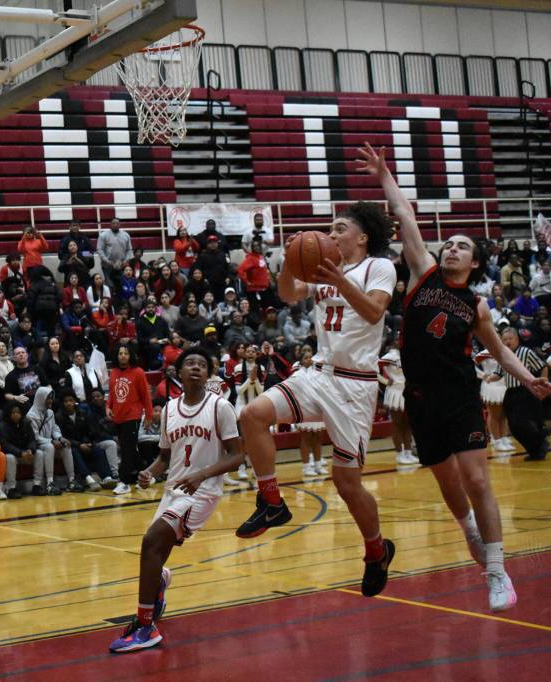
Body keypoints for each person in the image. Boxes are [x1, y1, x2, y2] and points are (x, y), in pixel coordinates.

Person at [358, 141, 551, 611]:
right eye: (449, 244)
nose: (451, 249)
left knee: (477, 480)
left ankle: (497, 570)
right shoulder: (423, 274)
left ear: (475, 262)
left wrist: (529, 380)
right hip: (420, 397)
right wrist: (384, 175)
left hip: (461, 395)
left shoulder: (476, 305)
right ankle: (469, 532)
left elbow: (499, 352)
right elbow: (405, 216)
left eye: (462, 246)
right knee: (448, 482)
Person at [236, 148, 399, 600]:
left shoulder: (378, 267)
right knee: (251, 415)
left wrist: (337, 278)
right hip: (319, 373)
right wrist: (291, 260)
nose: (331, 234)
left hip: (355, 385)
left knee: (346, 483)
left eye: (339, 228)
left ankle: (375, 550)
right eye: (330, 229)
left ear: (362, 238)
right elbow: (288, 294)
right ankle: (272, 501)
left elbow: (373, 313)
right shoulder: (326, 268)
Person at [108, 349, 244, 653]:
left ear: (208, 374)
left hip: (203, 492)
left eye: (202, 365)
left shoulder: (220, 407)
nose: (196, 368)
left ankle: (145, 626)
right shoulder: (169, 409)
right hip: (173, 490)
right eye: (190, 364)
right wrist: (150, 472)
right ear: (178, 373)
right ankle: (159, 583)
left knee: (151, 541)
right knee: (155, 551)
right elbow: (165, 457)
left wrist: (201, 475)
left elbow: (237, 456)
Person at [497, 327, 548, 461]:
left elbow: (542, 366)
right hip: (510, 393)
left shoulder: (526, 352)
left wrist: (543, 383)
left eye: (510, 338)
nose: (508, 342)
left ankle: (540, 443)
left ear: (517, 339)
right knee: (513, 427)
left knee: (522, 423)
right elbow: (498, 373)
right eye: (505, 339)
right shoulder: (502, 355)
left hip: (525, 391)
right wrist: (487, 377)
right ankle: (535, 449)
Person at [108, 344, 153, 495]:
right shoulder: (113, 372)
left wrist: (149, 415)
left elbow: (146, 396)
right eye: (120, 353)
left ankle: (124, 482)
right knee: (131, 450)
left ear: (130, 355)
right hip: (118, 416)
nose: (123, 356)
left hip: (132, 416)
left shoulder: (138, 372)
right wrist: (108, 407)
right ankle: (147, 476)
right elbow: (112, 394)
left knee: (127, 450)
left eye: (126, 353)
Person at [25, 386, 73, 496]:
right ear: (41, 398)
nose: (51, 401)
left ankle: (72, 480)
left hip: (49, 442)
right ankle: (50, 483)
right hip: (37, 444)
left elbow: (54, 428)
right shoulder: (31, 415)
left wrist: (60, 438)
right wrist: (52, 441)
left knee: (66, 446)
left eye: (51, 398)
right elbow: (35, 437)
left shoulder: (50, 412)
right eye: (48, 398)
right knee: (49, 447)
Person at [378, 342, 416, 466]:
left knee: (408, 424)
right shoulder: (391, 356)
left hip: (407, 391)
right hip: (395, 392)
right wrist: (385, 380)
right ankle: (400, 454)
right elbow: (372, 366)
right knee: (397, 424)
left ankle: (408, 453)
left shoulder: (408, 353)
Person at [474, 348, 512, 452]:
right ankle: (496, 441)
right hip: (491, 385)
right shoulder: (485, 352)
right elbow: (471, 365)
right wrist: (483, 375)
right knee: (494, 414)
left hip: (504, 384)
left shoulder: (504, 350)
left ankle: (504, 438)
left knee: (504, 415)